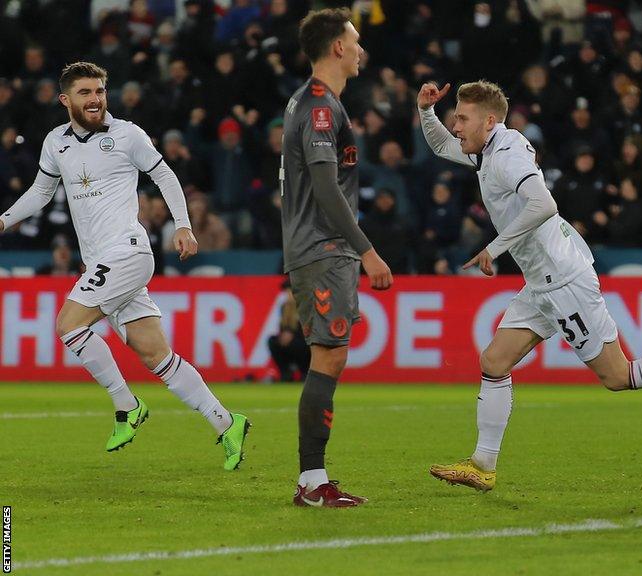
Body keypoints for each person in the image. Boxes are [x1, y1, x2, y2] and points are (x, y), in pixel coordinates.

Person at [417, 79, 642, 492]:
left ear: (489, 121)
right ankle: (482, 465)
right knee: (493, 362)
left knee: (618, 376)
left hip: (562, 280)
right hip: (541, 280)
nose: (456, 126)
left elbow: (545, 204)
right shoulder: (488, 149)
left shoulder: (506, 155)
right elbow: (439, 146)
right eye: (455, 118)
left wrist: (495, 246)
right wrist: (425, 112)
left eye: (463, 118)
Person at [0, 62, 249, 468]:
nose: (95, 99)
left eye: (99, 91)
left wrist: (183, 226)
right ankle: (227, 423)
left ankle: (126, 405)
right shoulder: (54, 143)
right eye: (85, 93)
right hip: (102, 261)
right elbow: (41, 192)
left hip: (128, 251)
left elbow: (166, 176)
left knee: (68, 325)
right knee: (154, 355)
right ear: (66, 100)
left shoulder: (127, 134)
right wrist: (4, 220)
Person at [281, 8, 393, 508]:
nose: (361, 46)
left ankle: (313, 479)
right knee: (327, 356)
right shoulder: (321, 109)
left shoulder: (312, 102)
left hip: (324, 248)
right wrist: (367, 251)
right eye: (355, 37)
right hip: (323, 247)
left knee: (332, 355)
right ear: (337, 48)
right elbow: (326, 187)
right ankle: (311, 483)